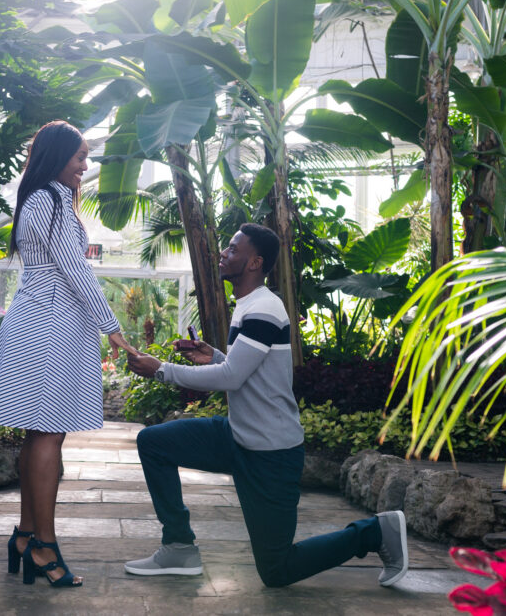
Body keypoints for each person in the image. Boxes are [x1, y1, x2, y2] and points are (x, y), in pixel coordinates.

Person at [124, 223, 409, 588]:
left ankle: (376, 532)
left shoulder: (265, 307)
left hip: (270, 453)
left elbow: (232, 378)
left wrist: (162, 370)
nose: (224, 253)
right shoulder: (248, 306)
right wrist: (213, 356)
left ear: (255, 262)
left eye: (233, 249)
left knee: (277, 569)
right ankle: (178, 546)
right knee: (154, 442)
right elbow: (243, 369)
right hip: (237, 436)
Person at [0, 120, 136, 588]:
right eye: (80, 157)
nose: (85, 167)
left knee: (38, 436)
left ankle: (26, 536)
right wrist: (114, 331)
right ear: (57, 156)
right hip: (50, 329)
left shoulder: (36, 200)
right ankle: (44, 544)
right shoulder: (54, 205)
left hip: (34, 323)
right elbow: (76, 272)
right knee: (48, 437)